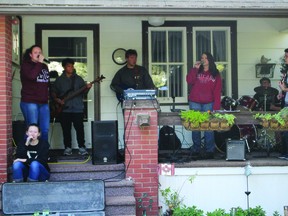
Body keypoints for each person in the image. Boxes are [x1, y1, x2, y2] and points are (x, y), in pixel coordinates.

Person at [51, 58, 92, 156]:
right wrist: (57, 100)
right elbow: (53, 92)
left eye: (72, 66)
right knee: (66, 130)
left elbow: (83, 92)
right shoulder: (59, 80)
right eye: (69, 66)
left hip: (78, 108)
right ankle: (67, 148)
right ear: (64, 67)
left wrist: (88, 88)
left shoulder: (79, 79)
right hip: (65, 109)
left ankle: (82, 147)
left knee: (80, 129)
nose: (71, 68)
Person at [186, 52, 222, 159]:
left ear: (210, 60)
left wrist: (216, 107)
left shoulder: (215, 73)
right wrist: (195, 69)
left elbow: (217, 91)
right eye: (202, 58)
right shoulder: (196, 70)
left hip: (209, 103)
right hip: (195, 101)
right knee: (195, 126)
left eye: (206, 58)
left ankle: (209, 150)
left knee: (208, 127)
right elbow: (189, 81)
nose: (204, 59)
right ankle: (196, 149)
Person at [20, 45, 50, 142]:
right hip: (30, 101)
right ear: (30, 55)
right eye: (35, 52)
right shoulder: (26, 65)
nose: (38, 54)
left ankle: (43, 154)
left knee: (44, 130)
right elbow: (32, 76)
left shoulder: (44, 66)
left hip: (43, 103)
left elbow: (47, 83)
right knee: (32, 130)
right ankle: (28, 153)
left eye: (40, 52)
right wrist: (39, 63)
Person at [278, 48, 288, 160]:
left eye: (286, 56)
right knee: (285, 129)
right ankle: (285, 153)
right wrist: (282, 93)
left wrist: (284, 89)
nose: (285, 58)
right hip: (286, 103)